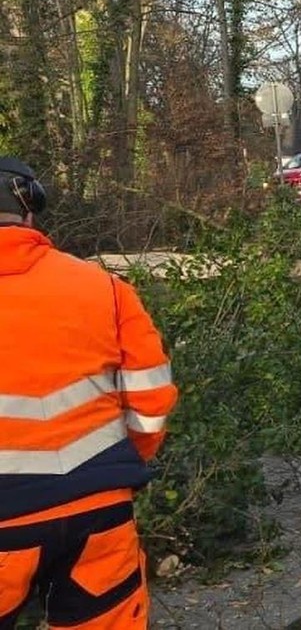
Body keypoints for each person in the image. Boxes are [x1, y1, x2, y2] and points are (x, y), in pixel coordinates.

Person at [0, 156, 178, 628]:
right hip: (98, 513)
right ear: (30, 211)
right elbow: (151, 400)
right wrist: (116, 467)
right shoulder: (103, 287)